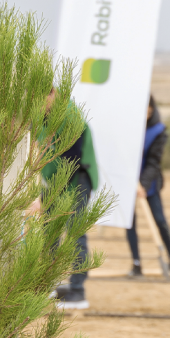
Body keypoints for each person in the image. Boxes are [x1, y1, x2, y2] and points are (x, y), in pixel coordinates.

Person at [125, 96, 170, 276]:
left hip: (150, 183)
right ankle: (136, 263)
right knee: (129, 223)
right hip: (129, 181)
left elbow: (154, 162)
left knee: (160, 220)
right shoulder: (129, 129)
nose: (147, 110)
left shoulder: (158, 131)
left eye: (150, 106)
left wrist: (144, 185)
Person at [52, 126, 96, 310]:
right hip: (56, 181)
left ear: (52, 94)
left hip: (76, 178)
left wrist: (55, 188)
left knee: (75, 234)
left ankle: (78, 291)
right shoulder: (42, 116)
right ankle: (52, 284)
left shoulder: (70, 117)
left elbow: (72, 158)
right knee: (49, 232)